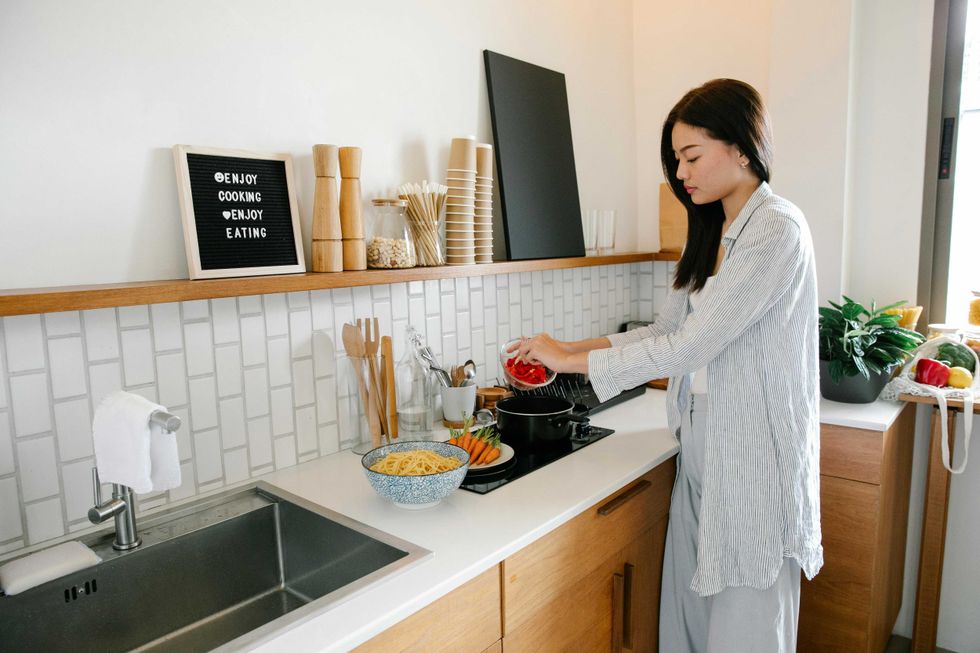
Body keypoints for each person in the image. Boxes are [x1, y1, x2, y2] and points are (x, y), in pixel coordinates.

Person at [513, 78, 822, 652]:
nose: (681, 173)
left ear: (741, 146)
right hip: (703, 440)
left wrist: (572, 363)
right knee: (688, 615)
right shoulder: (711, 231)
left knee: (745, 626)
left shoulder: (777, 227)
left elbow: (688, 350)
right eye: (676, 159)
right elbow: (661, 332)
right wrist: (565, 348)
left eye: (692, 156)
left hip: (753, 456)